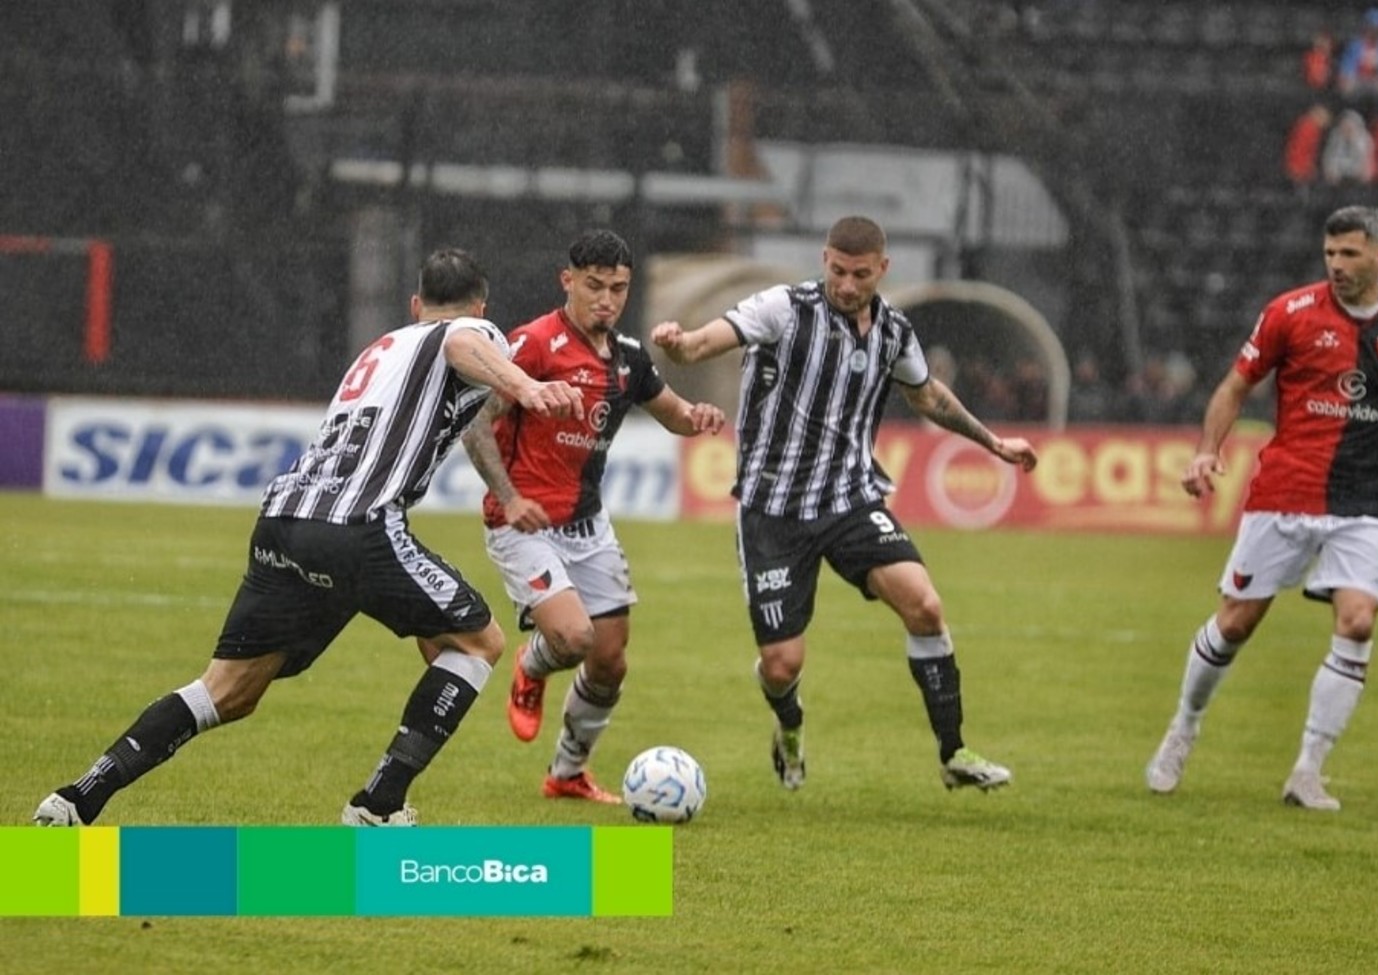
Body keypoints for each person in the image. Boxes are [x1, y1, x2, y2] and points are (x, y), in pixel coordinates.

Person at [32, 249, 585, 828]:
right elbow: (461, 344)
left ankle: (77, 797)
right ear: (479, 305)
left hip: (283, 522)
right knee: (480, 643)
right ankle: (377, 805)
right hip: (358, 527)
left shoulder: (382, 349)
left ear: (414, 304)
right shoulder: (470, 330)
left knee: (228, 691)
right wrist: (526, 385)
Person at [650, 216, 1038, 792]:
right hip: (771, 510)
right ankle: (790, 726)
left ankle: (954, 753)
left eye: (860, 274)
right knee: (782, 666)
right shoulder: (783, 308)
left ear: (882, 269)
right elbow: (708, 341)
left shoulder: (893, 332)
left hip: (849, 498)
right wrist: (681, 347)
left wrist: (993, 442)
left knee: (925, 607)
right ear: (824, 258)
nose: (848, 284)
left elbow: (927, 394)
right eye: (838, 270)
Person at [1144, 205, 1378, 811]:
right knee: (1236, 623)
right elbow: (1234, 386)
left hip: (1366, 501)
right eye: (1330, 254)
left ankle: (1307, 771)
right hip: (1285, 493)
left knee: (1358, 622)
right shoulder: (1289, 313)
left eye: (1350, 254)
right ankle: (1184, 727)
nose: (1337, 266)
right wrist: (1205, 452)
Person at [461, 230, 725, 805]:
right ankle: (533, 666)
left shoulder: (629, 360)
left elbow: (674, 413)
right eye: (595, 286)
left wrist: (697, 416)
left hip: (587, 525)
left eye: (618, 289)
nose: (606, 299)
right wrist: (508, 498)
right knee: (575, 637)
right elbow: (476, 424)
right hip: (522, 523)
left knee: (609, 660)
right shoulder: (531, 345)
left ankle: (567, 775)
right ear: (568, 282)